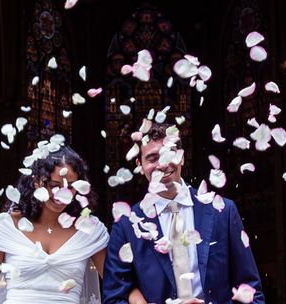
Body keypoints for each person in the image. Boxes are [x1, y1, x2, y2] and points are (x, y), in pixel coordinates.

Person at [102, 122, 265, 304]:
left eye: (169, 154)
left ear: (182, 157)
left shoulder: (224, 211)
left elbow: (251, 290)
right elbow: (114, 298)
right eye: (152, 158)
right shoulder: (127, 225)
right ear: (140, 165)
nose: (162, 164)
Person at [0, 142, 109, 304]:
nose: (62, 194)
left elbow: (117, 284)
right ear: (36, 181)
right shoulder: (5, 226)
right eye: (54, 185)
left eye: (70, 187)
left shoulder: (89, 229)